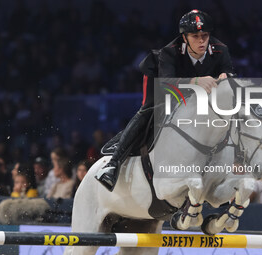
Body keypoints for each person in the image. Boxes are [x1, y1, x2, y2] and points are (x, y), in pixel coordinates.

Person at [95, 9, 234, 191]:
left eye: (205, 35)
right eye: (195, 36)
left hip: (196, 84)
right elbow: (166, 85)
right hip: (160, 79)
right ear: (184, 37)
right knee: (150, 108)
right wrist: (196, 81)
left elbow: (230, 72)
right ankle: (113, 165)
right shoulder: (169, 52)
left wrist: (227, 76)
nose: (201, 40)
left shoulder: (221, 49)